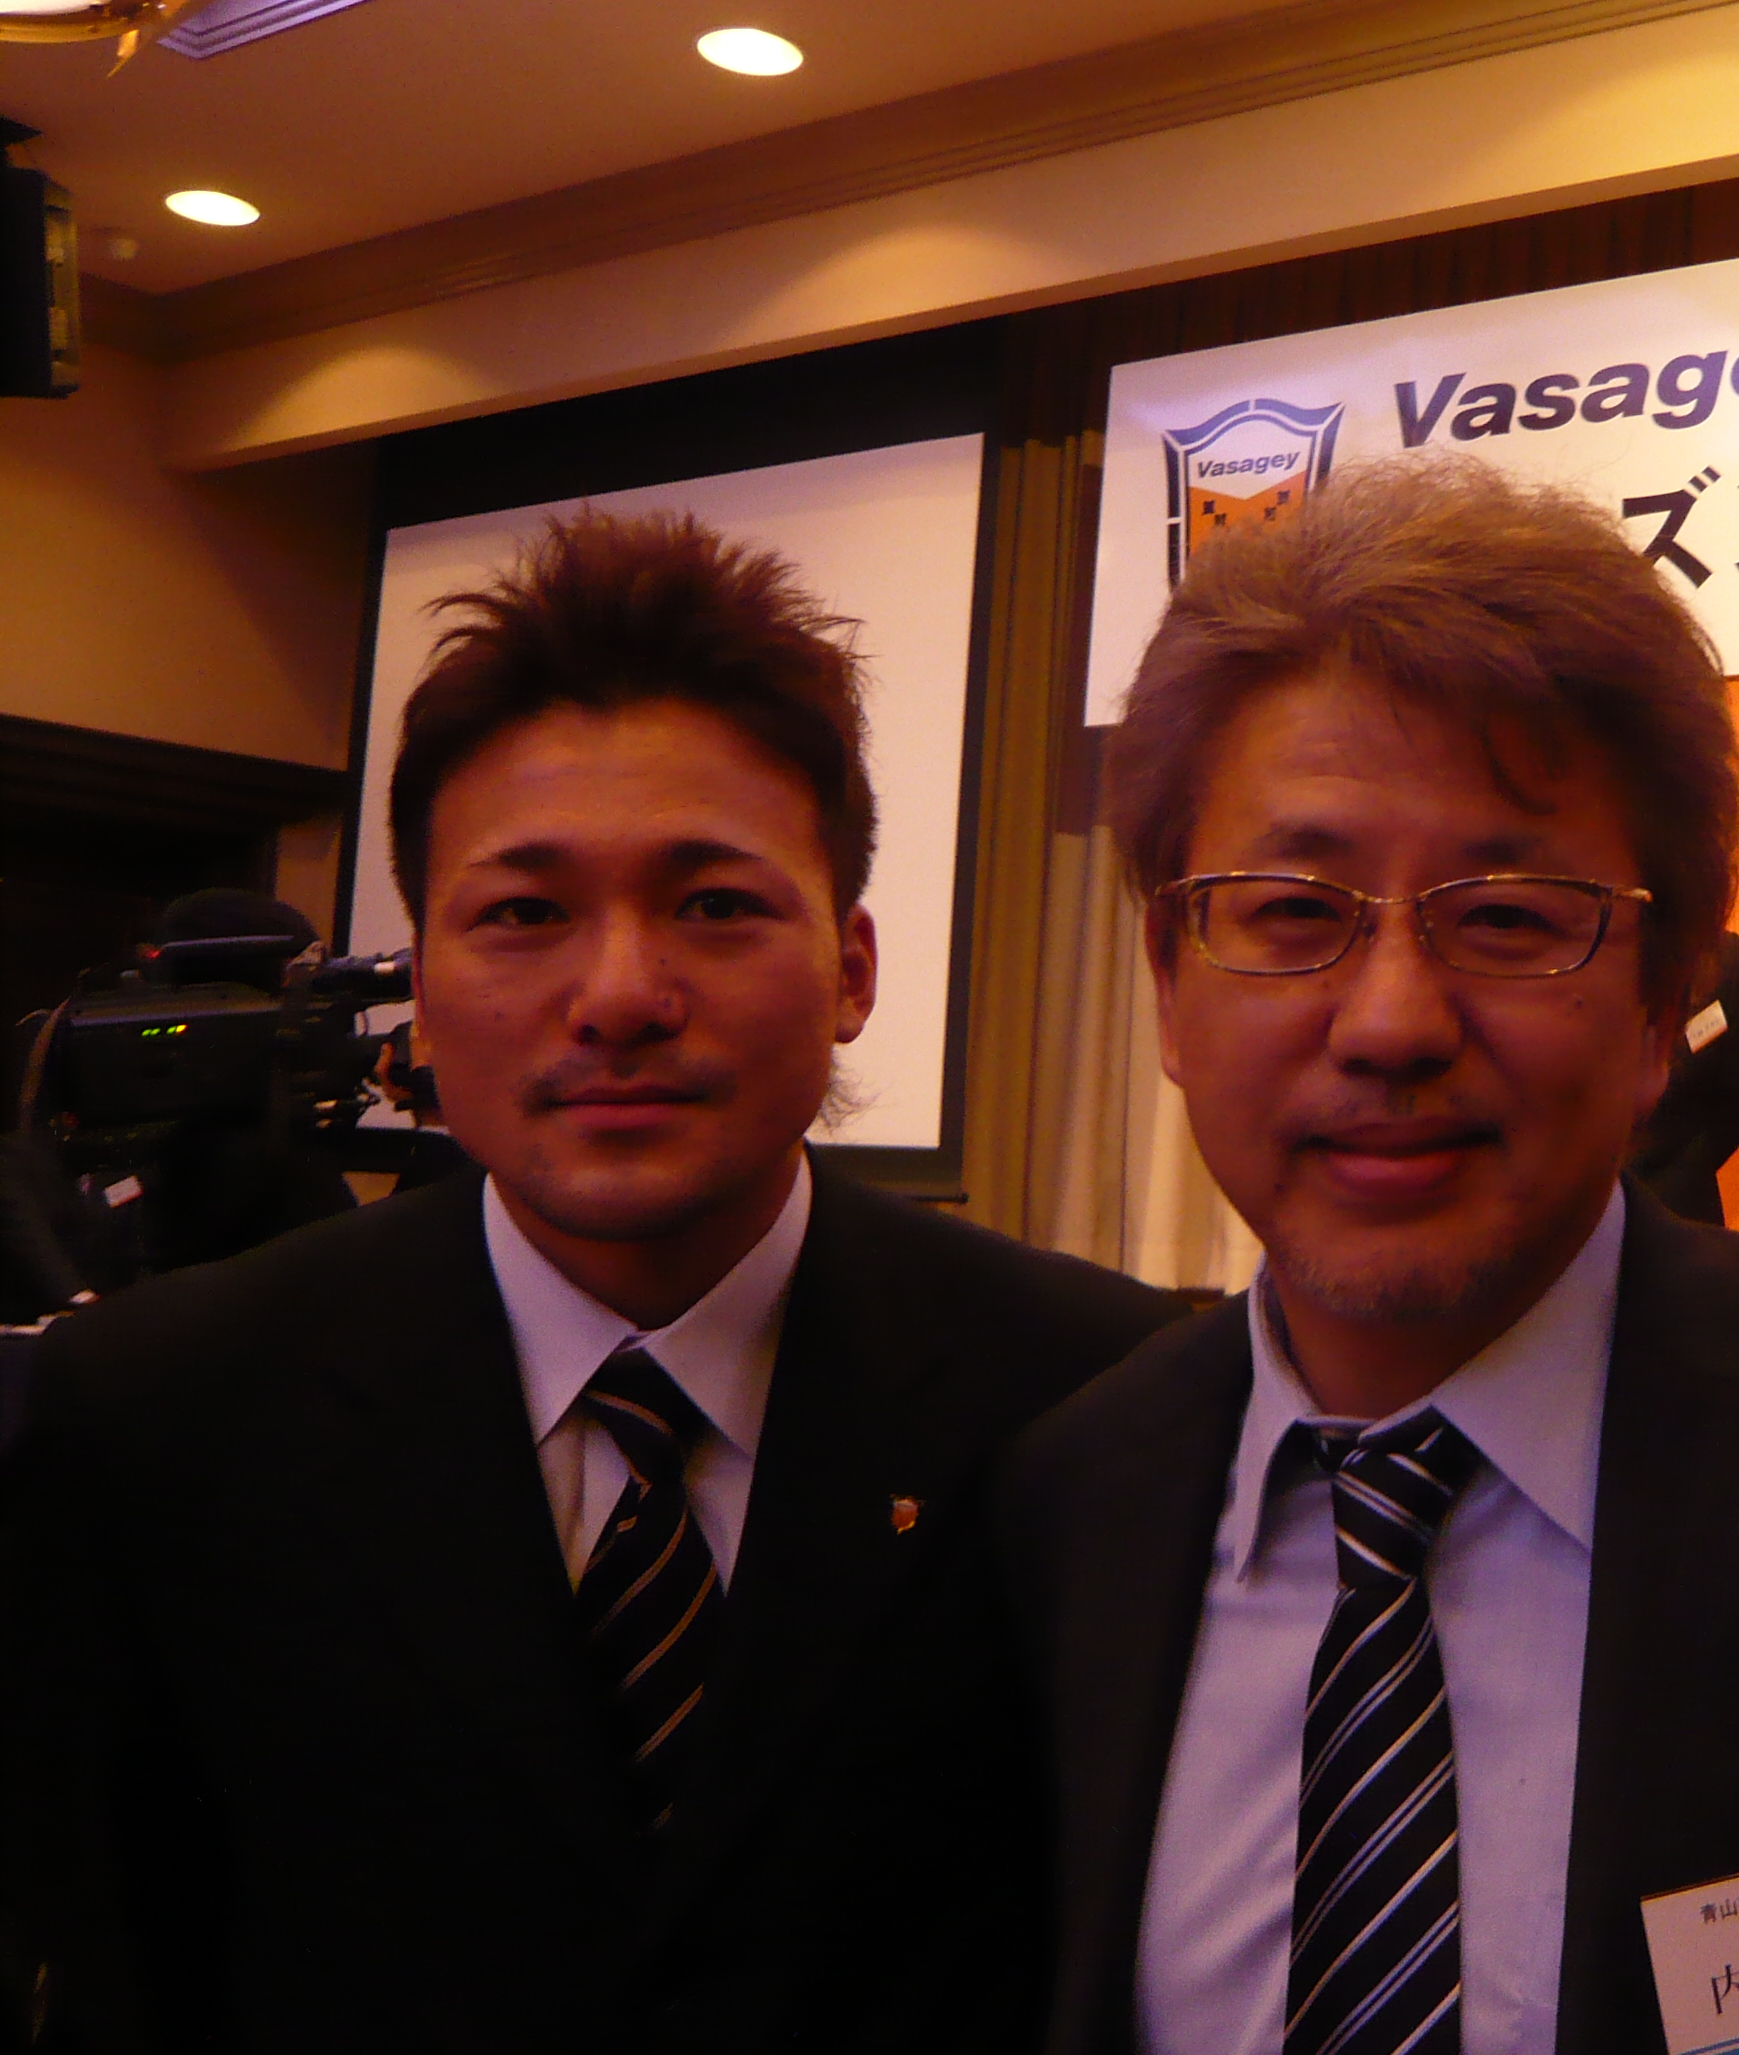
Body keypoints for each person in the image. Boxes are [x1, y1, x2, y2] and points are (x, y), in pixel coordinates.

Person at [999, 457, 1739, 2055]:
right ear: (1166, 978)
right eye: (1290, 911)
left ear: (1666, 993)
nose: (1391, 1023)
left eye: (1509, 916)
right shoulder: (1064, 1511)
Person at [2, 514, 1166, 2049]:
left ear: (853, 968)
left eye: (717, 904)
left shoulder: (1093, 1402)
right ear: (422, 990)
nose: (619, 996)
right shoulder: (159, 1415)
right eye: (525, 914)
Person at [1623, 928, 1739, 1224]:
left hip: (1681, 1207)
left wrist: (1685, 1168)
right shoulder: (1566, 952)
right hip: (1568, 1220)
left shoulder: (1718, 955)